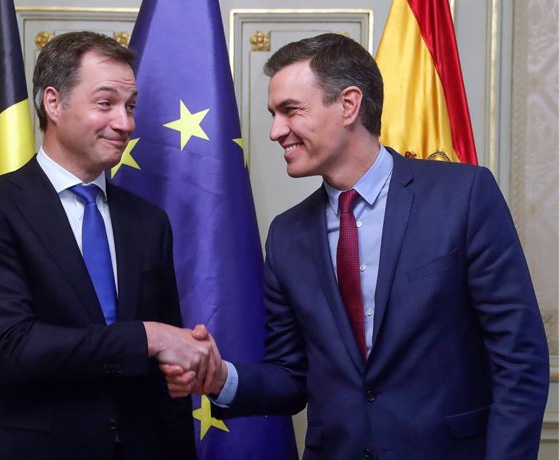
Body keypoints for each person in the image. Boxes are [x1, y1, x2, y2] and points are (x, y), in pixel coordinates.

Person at [164, 33, 550, 459]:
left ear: (348, 104)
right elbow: (292, 377)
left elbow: (519, 358)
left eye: (290, 111)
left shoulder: (464, 196)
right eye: (273, 114)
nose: (276, 131)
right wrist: (221, 379)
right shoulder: (287, 235)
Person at [0, 31, 213, 460]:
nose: (124, 123)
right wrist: (146, 337)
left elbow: (168, 374)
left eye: (130, 107)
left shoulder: (148, 222)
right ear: (53, 102)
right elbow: (13, 348)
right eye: (105, 103)